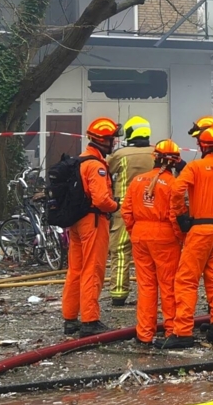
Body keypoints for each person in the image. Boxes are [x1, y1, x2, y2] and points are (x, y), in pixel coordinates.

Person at [163, 124, 213, 349]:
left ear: (202, 146)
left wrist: (181, 215)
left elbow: (177, 190)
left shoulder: (195, 167)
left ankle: (183, 331)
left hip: (200, 229)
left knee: (186, 280)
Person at [121, 140, 184, 347]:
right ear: (175, 162)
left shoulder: (137, 181)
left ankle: (144, 333)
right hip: (165, 237)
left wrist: (135, 232)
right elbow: (176, 216)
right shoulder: (174, 185)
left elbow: (126, 212)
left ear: (154, 158)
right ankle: (171, 330)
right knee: (169, 286)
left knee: (146, 286)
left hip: (140, 236)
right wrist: (180, 238)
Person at [62, 117, 121, 337]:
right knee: (92, 270)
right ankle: (90, 320)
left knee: (75, 270)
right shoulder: (96, 166)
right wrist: (117, 204)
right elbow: (102, 200)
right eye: (112, 139)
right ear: (103, 141)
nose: (114, 143)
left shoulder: (79, 161)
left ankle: (70, 318)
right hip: (93, 222)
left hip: (76, 222)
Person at [107, 116, 156, 307]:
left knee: (120, 250)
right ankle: (153, 294)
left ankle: (119, 294)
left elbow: (105, 172)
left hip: (124, 210)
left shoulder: (120, 155)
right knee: (154, 253)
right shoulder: (156, 153)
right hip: (152, 210)